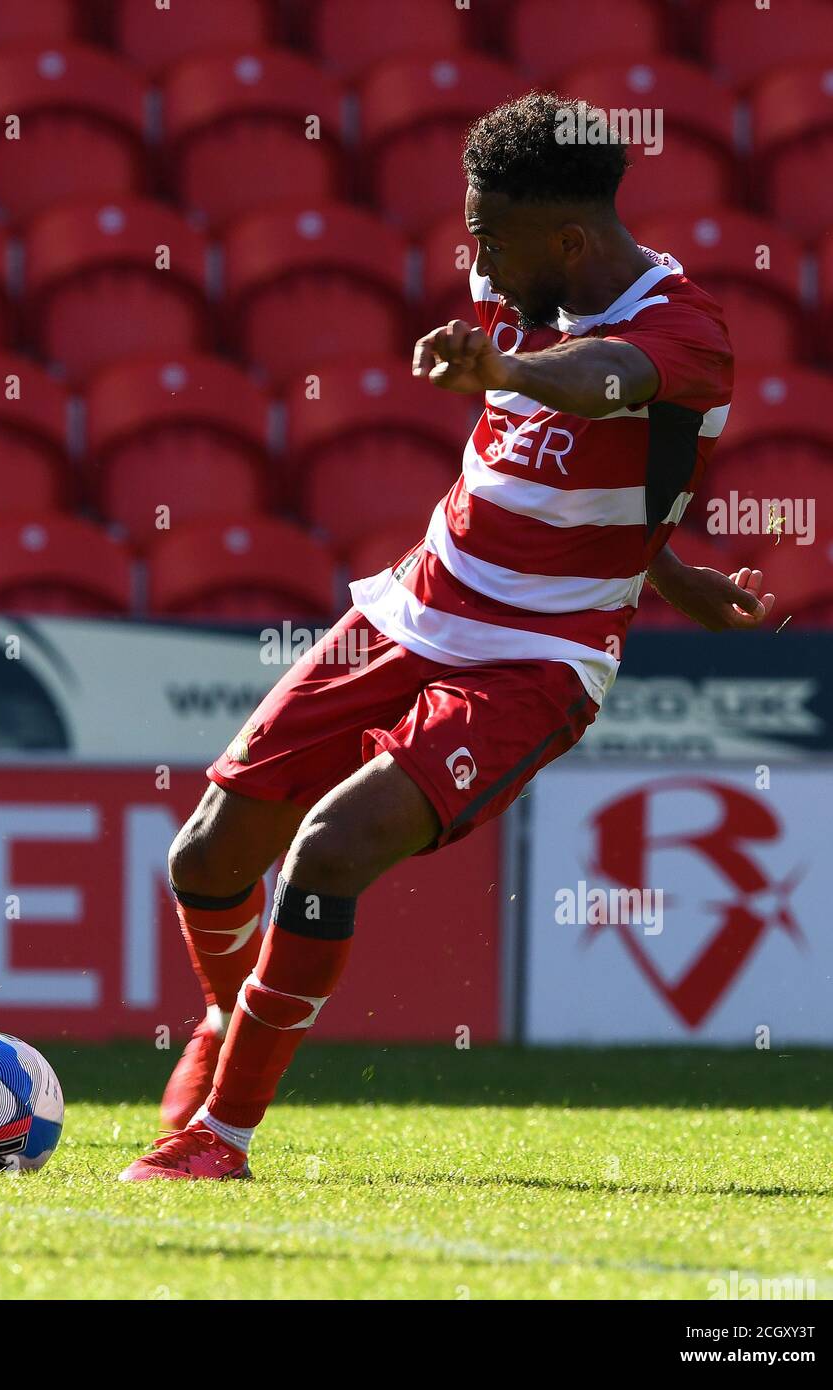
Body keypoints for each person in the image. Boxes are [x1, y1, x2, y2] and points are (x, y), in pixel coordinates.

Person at [120, 92, 774, 1182]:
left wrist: (506, 372)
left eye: (490, 235)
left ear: (566, 238)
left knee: (328, 851)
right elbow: (555, 467)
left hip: (535, 658)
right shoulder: (513, 277)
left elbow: (600, 383)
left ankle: (216, 1138)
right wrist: (663, 568)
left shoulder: (681, 334)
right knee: (204, 853)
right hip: (407, 607)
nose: (474, 255)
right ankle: (219, 1023)